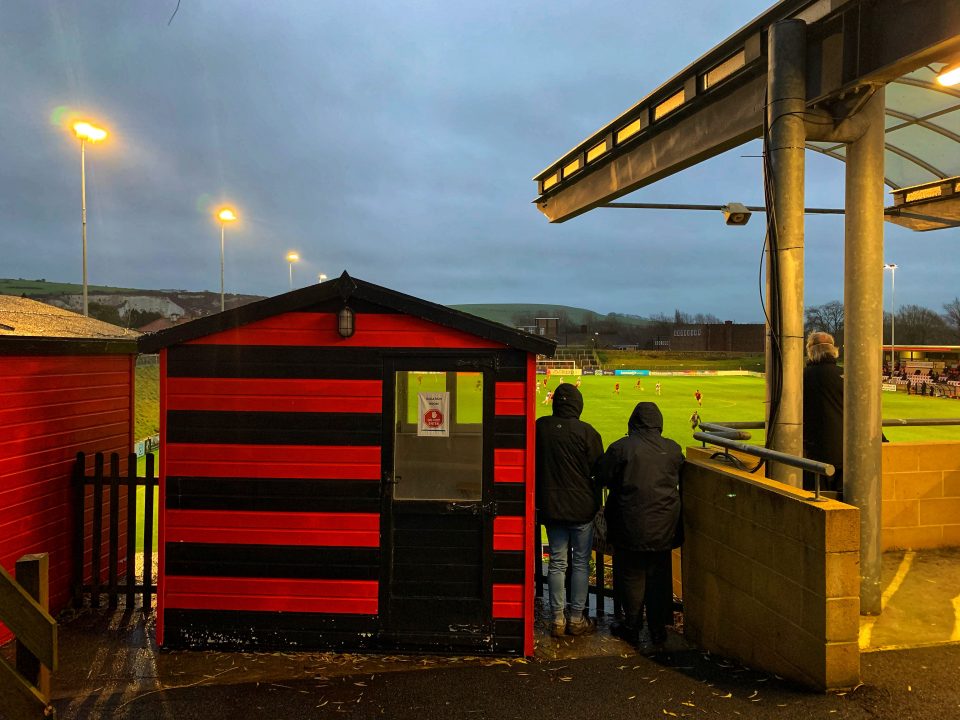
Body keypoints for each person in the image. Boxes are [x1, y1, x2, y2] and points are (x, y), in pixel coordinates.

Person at [598, 402, 683, 649]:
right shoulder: (673, 450)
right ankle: (658, 629)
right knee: (657, 577)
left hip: (629, 526)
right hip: (664, 527)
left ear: (633, 421)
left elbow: (603, 476)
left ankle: (632, 627)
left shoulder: (621, 448)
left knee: (632, 576)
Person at [535, 383, 604, 638]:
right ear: (578, 404)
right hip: (581, 510)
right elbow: (599, 468)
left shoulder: (541, 427)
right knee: (580, 563)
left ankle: (557, 620)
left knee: (557, 562)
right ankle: (576, 618)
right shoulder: (587, 432)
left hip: (552, 508)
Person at [803, 331, 843, 494]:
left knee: (815, 502)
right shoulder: (849, 376)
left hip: (814, 454)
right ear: (834, 350)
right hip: (847, 454)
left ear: (810, 351)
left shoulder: (803, 377)